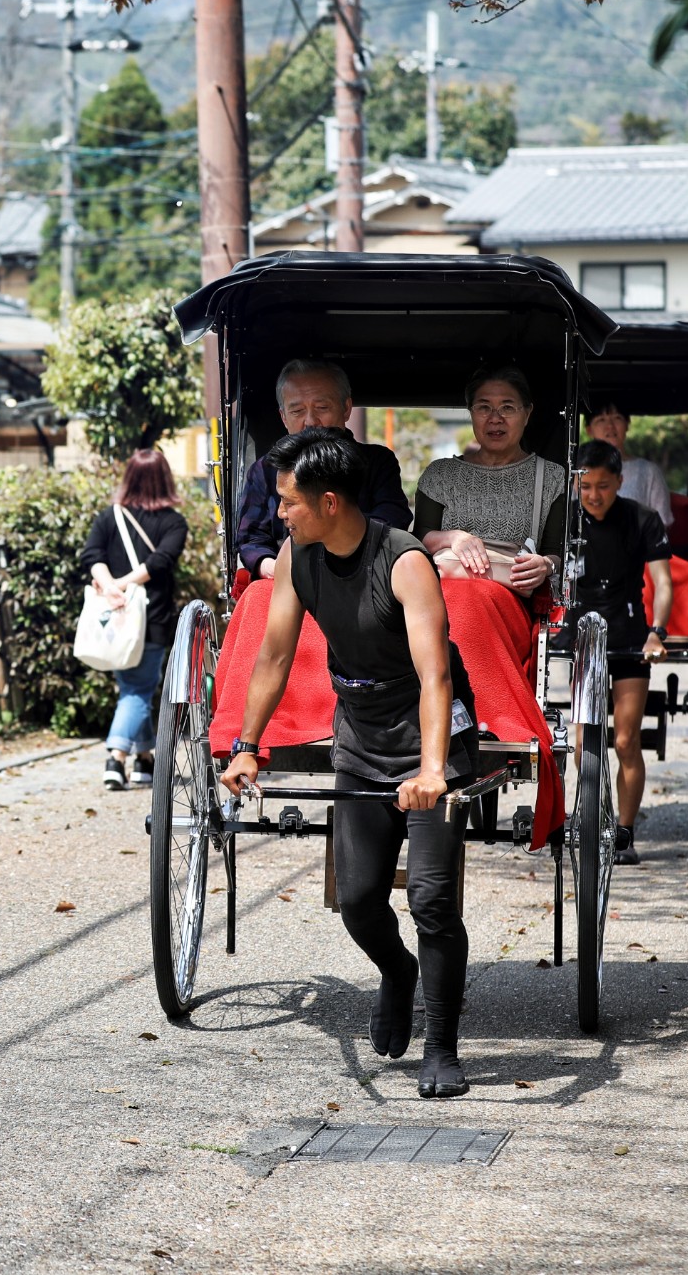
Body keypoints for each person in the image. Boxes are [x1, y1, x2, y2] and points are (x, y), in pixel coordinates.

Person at [221, 428, 481, 1099]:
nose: (279, 512)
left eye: (289, 502)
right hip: (362, 738)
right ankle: (397, 974)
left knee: (431, 899)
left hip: (431, 739)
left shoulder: (404, 562)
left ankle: (443, 1043)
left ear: (329, 501)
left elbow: (435, 676)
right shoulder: (298, 557)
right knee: (360, 902)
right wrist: (247, 742)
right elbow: (275, 656)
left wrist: (430, 770)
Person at [572, 440, 673, 865]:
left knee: (626, 740)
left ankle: (625, 833)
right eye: (586, 486)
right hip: (582, 638)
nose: (594, 495)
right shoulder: (566, 522)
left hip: (631, 636)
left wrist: (657, 633)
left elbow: (664, 584)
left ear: (620, 483)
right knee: (580, 744)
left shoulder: (642, 519)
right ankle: (598, 821)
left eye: (604, 486)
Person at [237, 359, 410, 579]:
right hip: (287, 579)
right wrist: (275, 569)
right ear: (283, 417)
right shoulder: (266, 469)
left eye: (322, 408)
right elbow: (251, 538)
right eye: (298, 411)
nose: (311, 421)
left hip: (363, 574)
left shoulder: (376, 461)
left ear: (346, 408)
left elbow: (393, 520)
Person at [79, 449, 190, 790]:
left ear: (129, 478)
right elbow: (160, 562)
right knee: (138, 690)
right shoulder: (173, 522)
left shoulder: (109, 517)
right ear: (164, 480)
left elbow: (92, 556)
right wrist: (123, 586)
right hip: (152, 618)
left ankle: (145, 759)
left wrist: (112, 586)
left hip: (115, 617)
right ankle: (116, 759)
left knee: (132, 689)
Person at [414, 365, 566, 596]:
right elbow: (417, 540)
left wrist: (546, 565)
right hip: (445, 603)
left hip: (511, 605)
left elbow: (556, 552)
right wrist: (452, 538)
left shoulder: (550, 477)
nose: (495, 419)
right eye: (484, 407)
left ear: (527, 413)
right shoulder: (440, 475)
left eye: (507, 407)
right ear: (471, 412)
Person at [586, 398, 674, 526]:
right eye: (601, 420)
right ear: (589, 430)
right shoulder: (578, 472)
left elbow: (663, 523)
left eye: (617, 418)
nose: (610, 426)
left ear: (627, 424)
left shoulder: (649, 471)